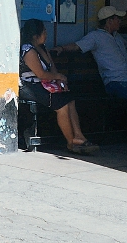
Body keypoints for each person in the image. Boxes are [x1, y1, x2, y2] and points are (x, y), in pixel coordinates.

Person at [57, 6, 127, 147]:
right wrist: (61, 48)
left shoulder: (117, 37)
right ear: (109, 21)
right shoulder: (95, 37)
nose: (120, 21)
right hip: (113, 83)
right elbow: (77, 46)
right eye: (117, 19)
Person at [19, 19, 98, 154]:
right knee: (62, 106)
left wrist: (60, 83)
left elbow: (52, 70)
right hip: (29, 86)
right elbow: (41, 74)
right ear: (34, 35)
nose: (46, 33)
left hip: (46, 84)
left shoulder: (42, 48)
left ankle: (79, 137)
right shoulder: (28, 50)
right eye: (43, 31)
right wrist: (59, 77)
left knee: (69, 99)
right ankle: (70, 143)